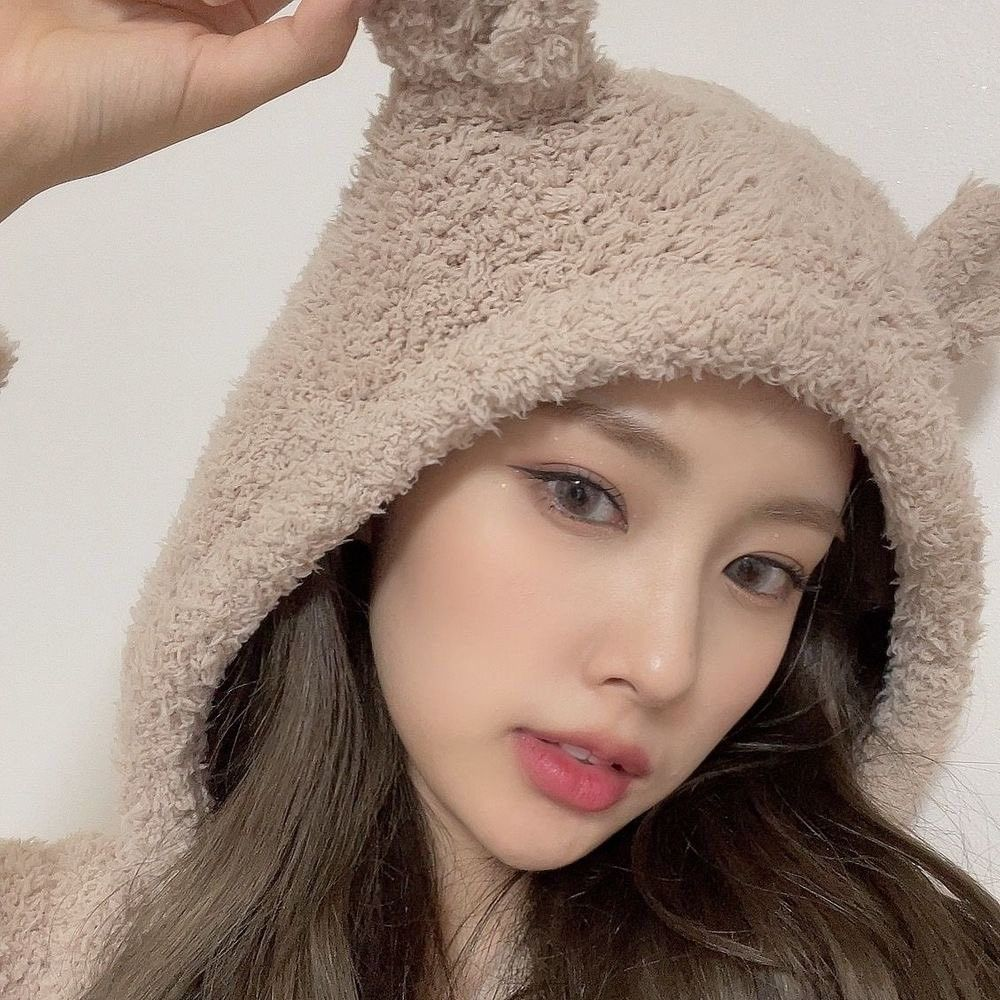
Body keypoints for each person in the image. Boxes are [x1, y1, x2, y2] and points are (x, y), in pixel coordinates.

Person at [1, 2, 999, 999]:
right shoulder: (48, 953)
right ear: (375, 472)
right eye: (582, 496)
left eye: (761, 570)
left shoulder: (906, 978)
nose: (663, 664)